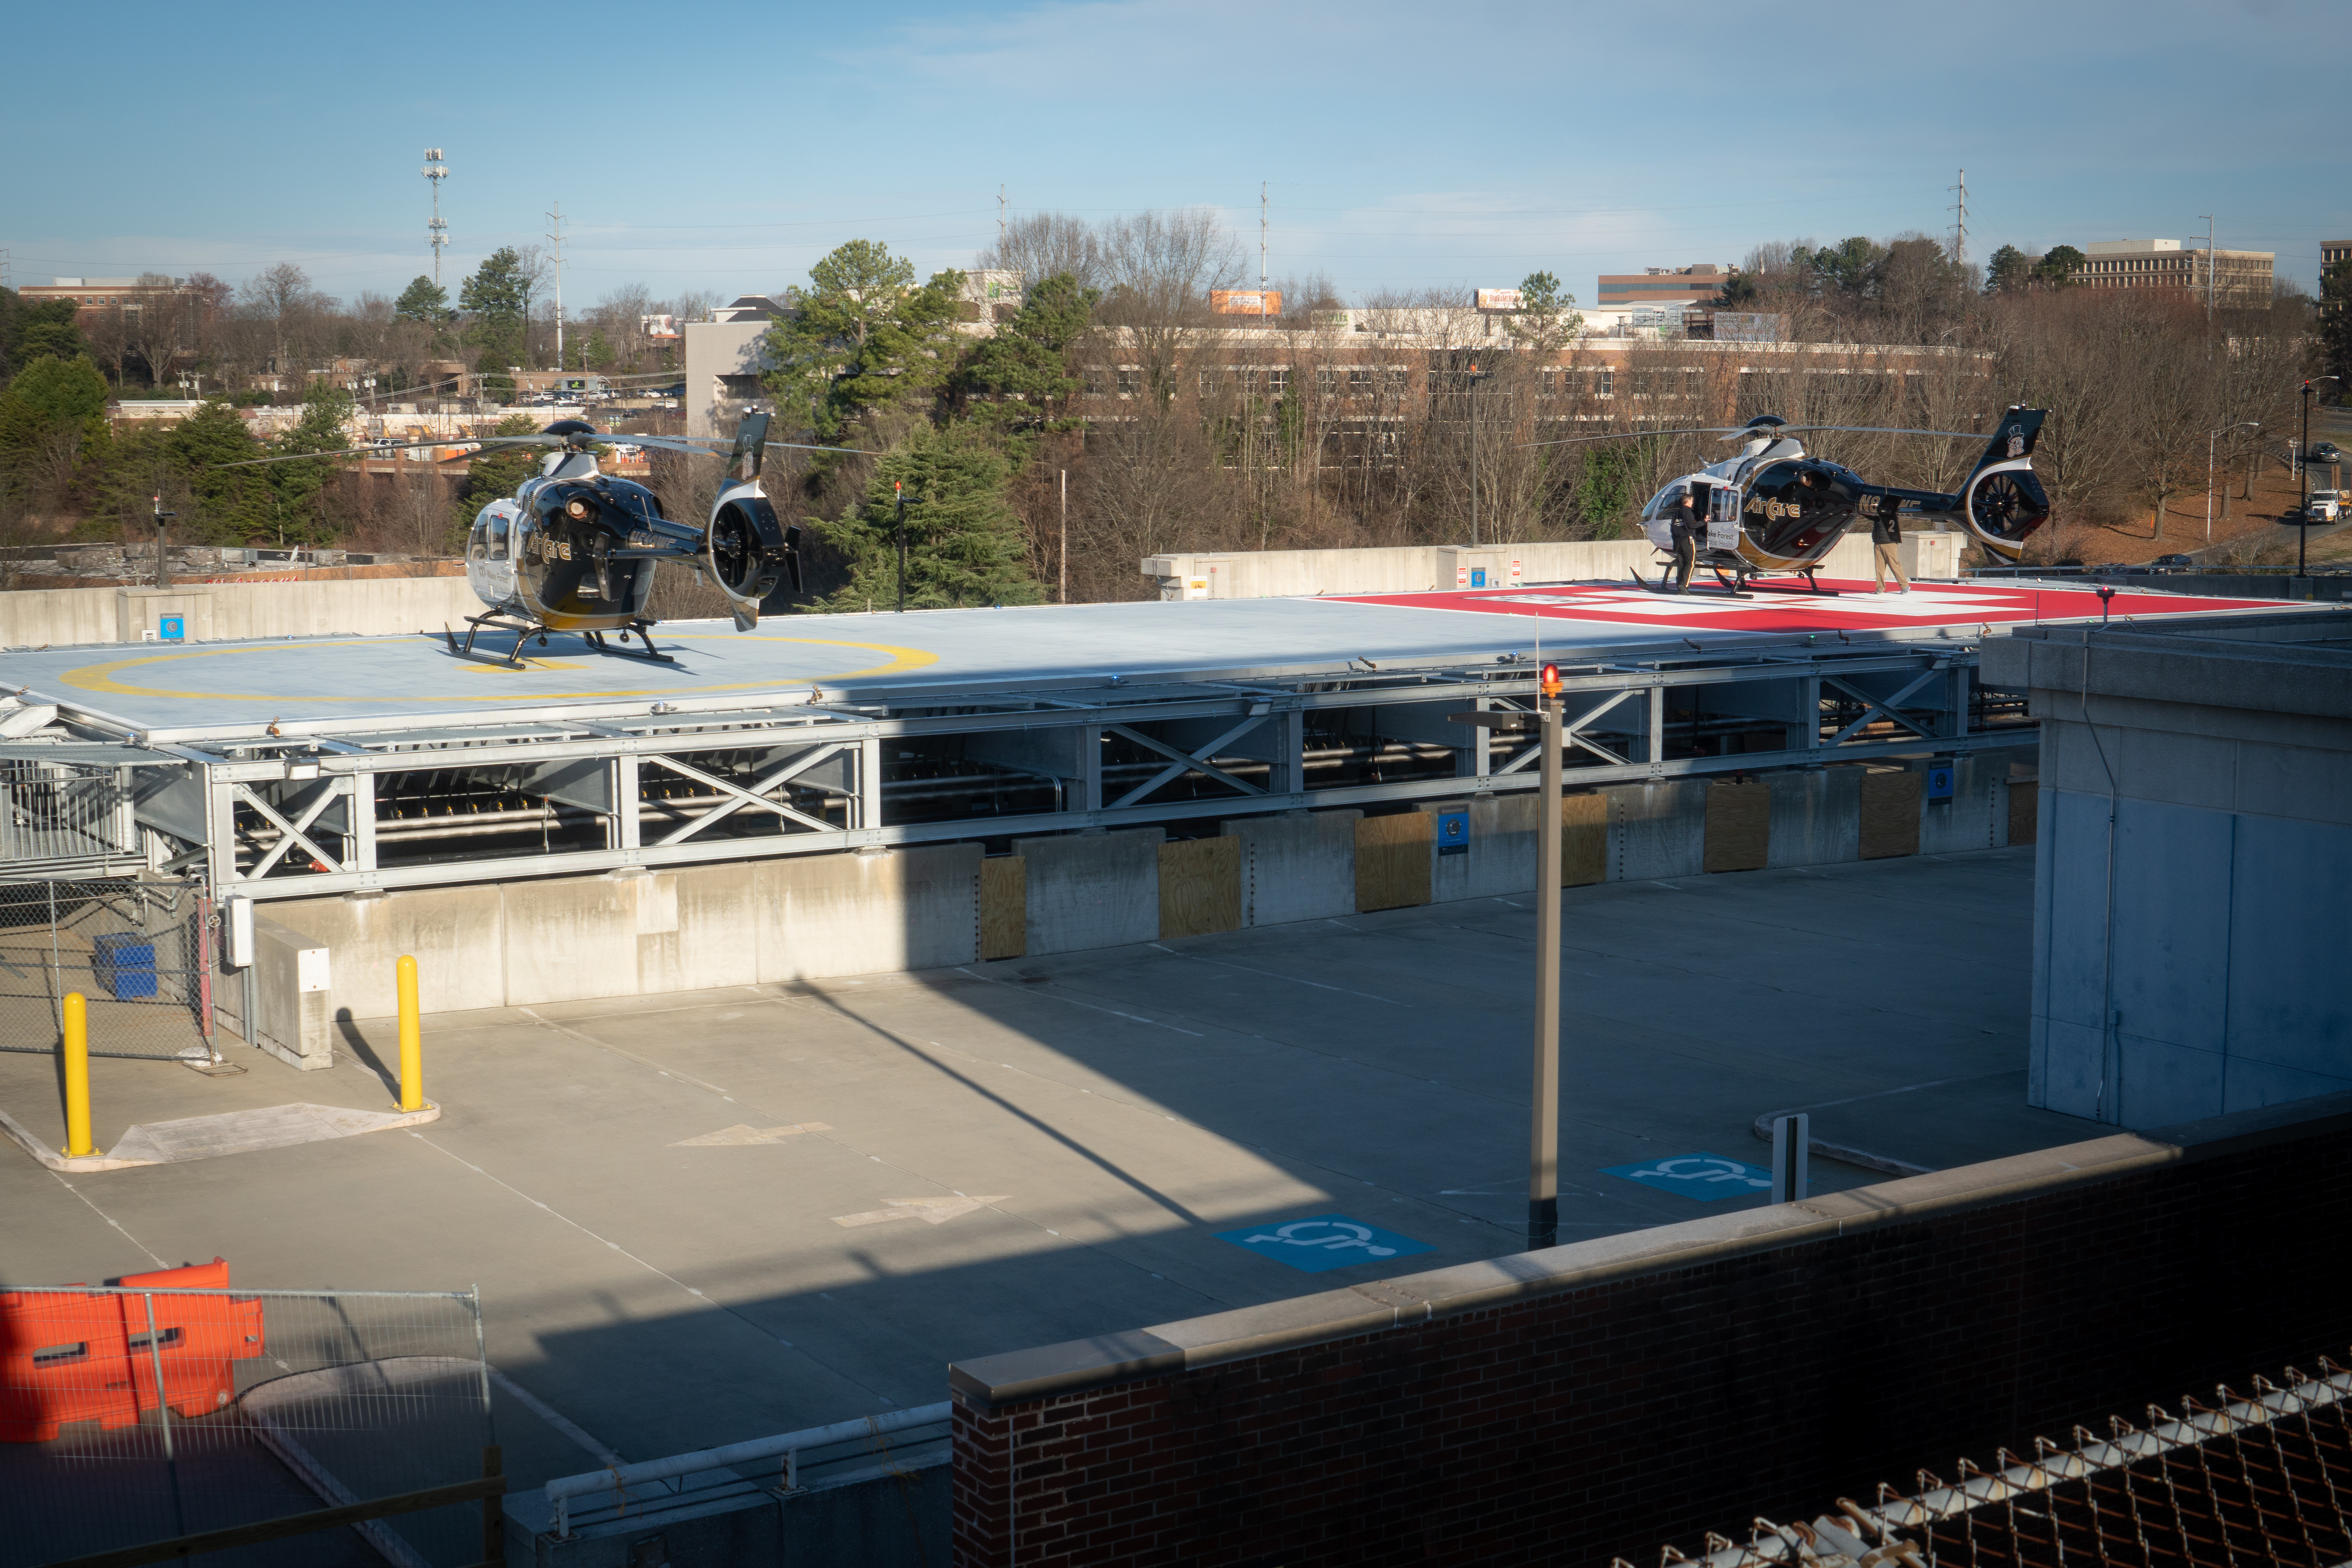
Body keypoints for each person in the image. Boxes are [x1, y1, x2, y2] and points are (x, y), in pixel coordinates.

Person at [1869, 500, 1909, 593]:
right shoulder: (1878, 516)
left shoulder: (1891, 513)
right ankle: (1880, 587)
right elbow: (1870, 516)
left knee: (1894, 564)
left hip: (1889, 542)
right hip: (1878, 542)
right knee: (1879, 567)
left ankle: (1904, 585)